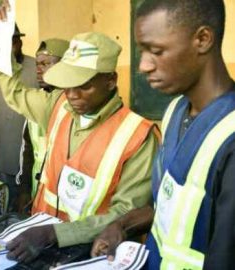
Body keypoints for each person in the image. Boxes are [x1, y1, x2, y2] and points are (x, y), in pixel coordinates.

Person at [0, 2, 159, 263]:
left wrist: (57, 233)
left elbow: (126, 212)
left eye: (84, 86)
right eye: (67, 84)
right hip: (38, 243)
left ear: (111, 80)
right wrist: (0, 42)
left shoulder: (138, 136)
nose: (72, 95)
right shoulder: (58, 105)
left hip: (92, 254)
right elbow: (14, 92)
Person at [91, 0, 235, 269]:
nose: (143, 65)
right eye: (142, 51)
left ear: (202, 39)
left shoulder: (230, 138)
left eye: (156, 51)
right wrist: (121, 225)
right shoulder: (175, 111)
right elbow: (173, 207)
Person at [0, 23, 38, 209]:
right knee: (7, 201)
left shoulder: (37, 68)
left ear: (19, 42)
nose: (9, 48)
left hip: (32, 153)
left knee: (29, 202)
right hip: (5, 150)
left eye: (12, 42)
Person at [15, 38, 69, 214]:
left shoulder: (75, 106)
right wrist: (24, 190)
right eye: (37, 64)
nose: (38, 70)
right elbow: (27, 151)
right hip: (37, 194)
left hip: (64, 201)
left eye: (45, 64)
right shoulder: (37, 103)